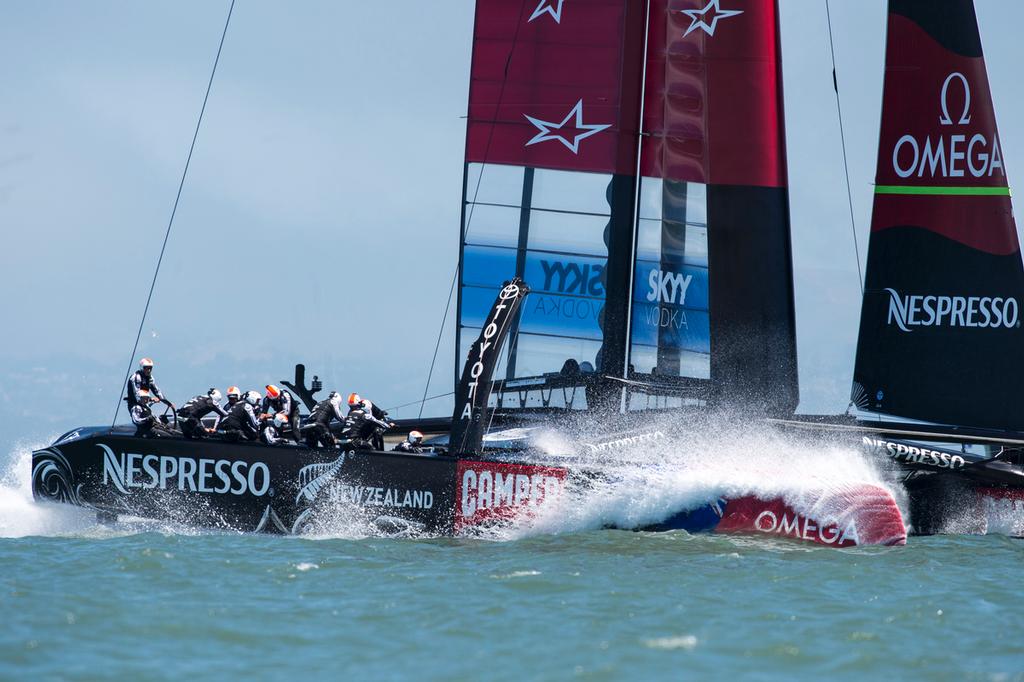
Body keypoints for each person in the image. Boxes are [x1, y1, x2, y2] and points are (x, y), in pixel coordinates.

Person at [126, 358, 169, 437]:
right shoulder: (136, 377)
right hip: (135, 404)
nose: (149, 370)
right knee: (144, 425)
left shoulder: (150, 378)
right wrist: (150, 399)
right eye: (146, 368)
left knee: (160, 423)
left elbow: (157, 391)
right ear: (142, 367)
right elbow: (137, 395)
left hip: (144, 405)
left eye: (150, 368)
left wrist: (168, 403)